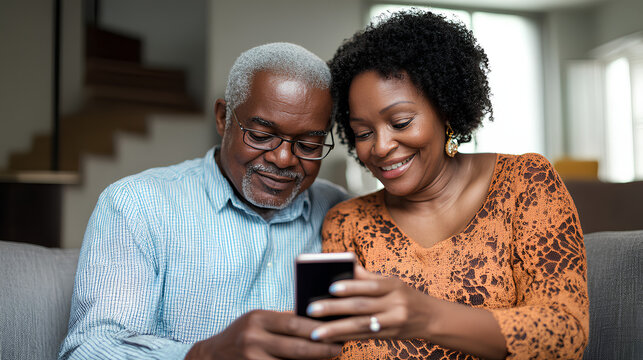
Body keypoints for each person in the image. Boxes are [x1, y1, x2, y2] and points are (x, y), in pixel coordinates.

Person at [306, 10, 589, 359]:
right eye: (363, 133)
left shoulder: (524, 185)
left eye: (401, 121)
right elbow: (329, 348)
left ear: (447, 111)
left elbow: (566, 332)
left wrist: (425, 317)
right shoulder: (347, 223)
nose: (379, 147)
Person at [59, 42, 348, 360]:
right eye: (261, 135)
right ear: (223, 118)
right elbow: (87, 350)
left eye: (308, 144)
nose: (283, 159)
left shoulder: (343, 213)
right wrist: (205, 354)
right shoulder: (136, 206)